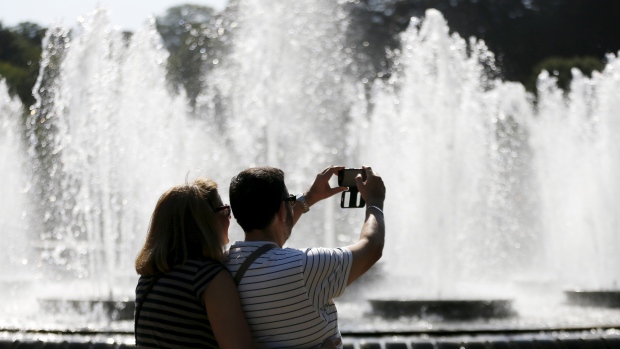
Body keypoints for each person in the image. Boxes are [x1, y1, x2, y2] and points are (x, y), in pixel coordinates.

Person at [226, 165, 386, 349]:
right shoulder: (305, 266)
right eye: (290, 200)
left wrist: (309, 197)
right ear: (282, 210)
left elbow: (274, 229)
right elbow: (372, 247)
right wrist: (375, 201)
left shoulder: (225, 264)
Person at [134, 178, 253, 349]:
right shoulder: (208, 277)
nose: (230, 217)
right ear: (205, 221)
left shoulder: (148, 279)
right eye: (225, 210)